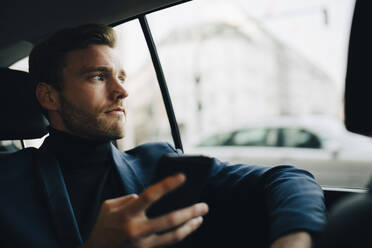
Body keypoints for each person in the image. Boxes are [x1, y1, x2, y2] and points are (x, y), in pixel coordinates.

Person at [0, 24, 325, 248]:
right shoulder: (7, 184)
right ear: (49, 97)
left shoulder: (159, 164)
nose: (122, 91)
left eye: (121, 77)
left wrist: (294, 238)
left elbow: (288, 178)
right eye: (98, 76)